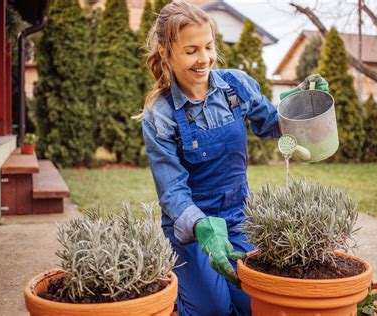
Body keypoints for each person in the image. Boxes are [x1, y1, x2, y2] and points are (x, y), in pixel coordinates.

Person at [138, 1, 328, 315]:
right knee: (212, 309)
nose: (204, 58)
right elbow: (171, 191)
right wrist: (201, 228)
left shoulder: (235, 87)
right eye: (191, 51)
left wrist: (305, 101)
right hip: (191, 229)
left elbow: (272, 125)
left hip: (239, 218)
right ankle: (179, 288)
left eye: (209, 46)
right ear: (165, 52)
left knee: (256, 300)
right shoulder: (160, 115)